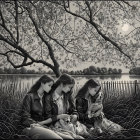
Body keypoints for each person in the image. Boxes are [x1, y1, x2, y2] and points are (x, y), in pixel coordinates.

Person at [20, 74, 63, 139]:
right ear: (42, 83)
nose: (50, 88)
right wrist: (38, 124)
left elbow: (48, 116)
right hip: (32, 127)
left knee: (69, 137)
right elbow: (25, 118)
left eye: (51, 86)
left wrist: (55, 122)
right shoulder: (29, 97)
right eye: (49, 85)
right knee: (58, 138)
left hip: (44, 127)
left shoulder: (46, 98)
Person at [42, 74, 84, 139]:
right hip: (55, 124)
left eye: (71, 88)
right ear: (61, 84)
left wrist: (75, 115)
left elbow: (73, 110)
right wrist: (60, 119)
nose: (70, 90)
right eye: (69, 87)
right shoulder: (48, 96)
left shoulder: (67, 95)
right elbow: (47, 116)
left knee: (83, 133)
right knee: (72, 136)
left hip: (67, 122)